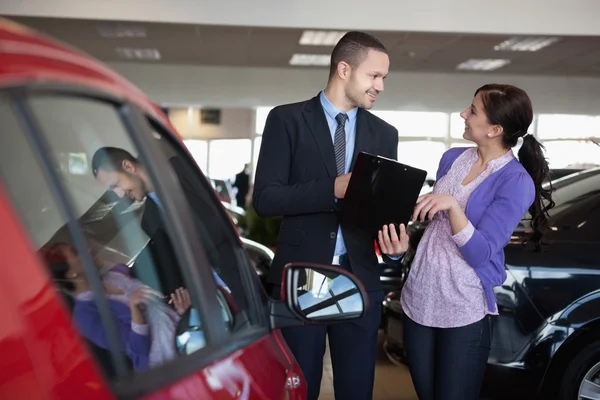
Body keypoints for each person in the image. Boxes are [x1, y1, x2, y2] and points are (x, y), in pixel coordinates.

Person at [253, 31, 404, 400]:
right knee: (299, 386)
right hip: (303, 276)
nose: (380, 86)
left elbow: (382, 212)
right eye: (374, 76)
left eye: (384, 77)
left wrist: (396, 246)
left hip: (361, 277)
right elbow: (266, 199)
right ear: (343, 69)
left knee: (357, 389)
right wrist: (333, 188)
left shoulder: (385, 134)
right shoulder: (286, 120)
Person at [378, 83, 554, 400]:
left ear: (495, 129)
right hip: (420, 298)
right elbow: (432, 225)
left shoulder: (515, 181)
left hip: (463, 308)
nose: (463, 113)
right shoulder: (452, 158)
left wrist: (453, 206)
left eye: (472, 111)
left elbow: (481, 252)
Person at [91, 147, 231, 295]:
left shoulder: (180, 170)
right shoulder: (149, 222)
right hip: (216, 299)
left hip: (236, 276)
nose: (119, 195)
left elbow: (222, 220)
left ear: (128, 167)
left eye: (116, 185)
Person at [41, 242, 192, 371]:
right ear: (71, 274)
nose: (88, 250)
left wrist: (176, 312)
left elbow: (156, 314)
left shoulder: (117, 275)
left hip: (182, 338)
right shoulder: (86, 317)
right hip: (165, 368)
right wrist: (134, 309)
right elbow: (139, 349)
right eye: (76, 252)